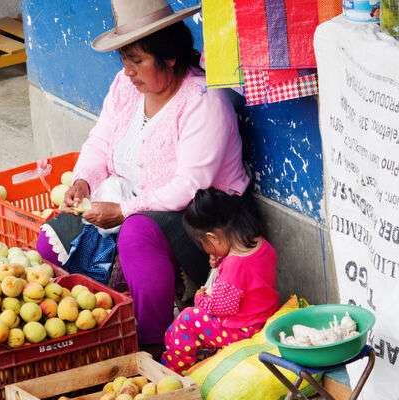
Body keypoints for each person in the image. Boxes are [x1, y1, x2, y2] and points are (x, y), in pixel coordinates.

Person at [35, 0, 250, 353]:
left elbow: (189, 185)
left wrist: (123, 209)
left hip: (206, 221)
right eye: (124, 60)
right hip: (131, 199)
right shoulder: (124, 86)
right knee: (56, 237)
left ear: (169, 58)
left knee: (136, 232)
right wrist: (83, 181)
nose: (128, 71)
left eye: (137, 61)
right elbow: (101, 140)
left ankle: (152, 346)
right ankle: (86, 327)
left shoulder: (203, 101)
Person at [161, 188, 279, 375]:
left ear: (212, 238)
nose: (208, 251)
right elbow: (249, 283)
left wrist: (201, 299)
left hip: (243, 329)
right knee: (187, 321)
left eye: (205, 245)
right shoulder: (261, 245)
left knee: (186, 319)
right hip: (265, 315)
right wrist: (220, 261)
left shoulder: (234, 266)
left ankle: (174, 370)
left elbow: (223, 307)